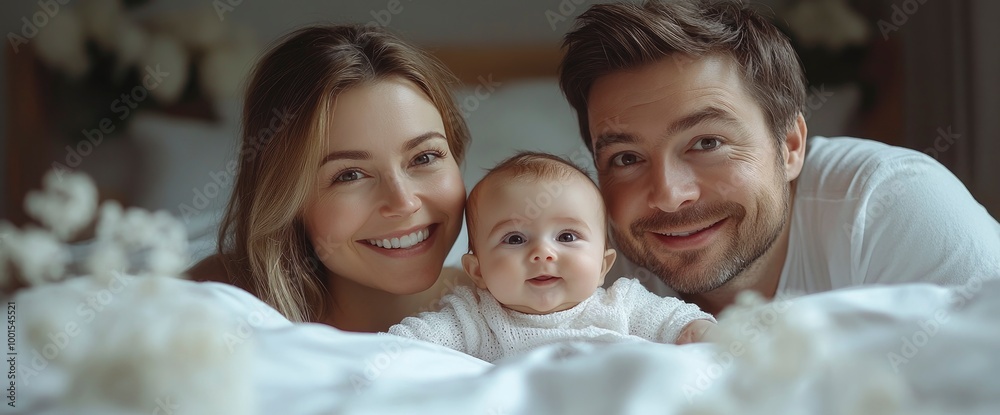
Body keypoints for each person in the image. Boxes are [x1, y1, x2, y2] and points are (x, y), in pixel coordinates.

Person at [558, 0, 1000, 315]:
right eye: (626, 158)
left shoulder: (889, 204)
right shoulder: (575, 254)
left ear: (789, 146)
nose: (669, 195)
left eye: (707, 143)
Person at [186, 24, 474, 332]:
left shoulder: (509, 313)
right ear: (288, 199)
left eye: (424, 157)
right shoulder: (207, 306)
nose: (403, 203)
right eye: (350, 175)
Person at [388, 152, 716, 362]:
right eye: (515, 239)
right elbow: (405, 346)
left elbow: (675, 320)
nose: (543, 253)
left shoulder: (623, 305)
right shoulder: (474, 320)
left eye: (567, 237)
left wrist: (698, 331)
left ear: (603, 266)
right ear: (478, 271)